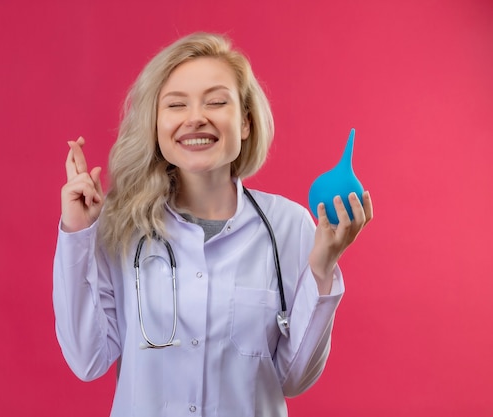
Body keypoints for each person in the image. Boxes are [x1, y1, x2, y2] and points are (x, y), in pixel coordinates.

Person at [53, 32, 373, 417]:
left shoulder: (288, 227)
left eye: (217, 102)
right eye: (175, 105)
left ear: (245, 124)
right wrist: (77, 236)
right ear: (155, 125)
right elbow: (87, 360)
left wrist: (323, 268)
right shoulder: (120, 225)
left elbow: (293, 378)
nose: (195, 118)